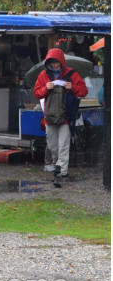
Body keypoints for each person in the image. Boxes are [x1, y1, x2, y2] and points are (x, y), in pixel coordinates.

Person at [33, 48, 87, 187]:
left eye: (56, 62)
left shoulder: (72, 74)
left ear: (61, 62)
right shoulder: (43, 75)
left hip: (66, 116)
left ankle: (61, 171)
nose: (55, 65)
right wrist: (46, 88)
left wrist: (72, 87)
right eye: (52, 62)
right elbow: (37, 93)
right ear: (48, 63)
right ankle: (59, 164)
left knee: (63, 144)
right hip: (50, 116)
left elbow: (83, 91)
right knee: (52, 145)